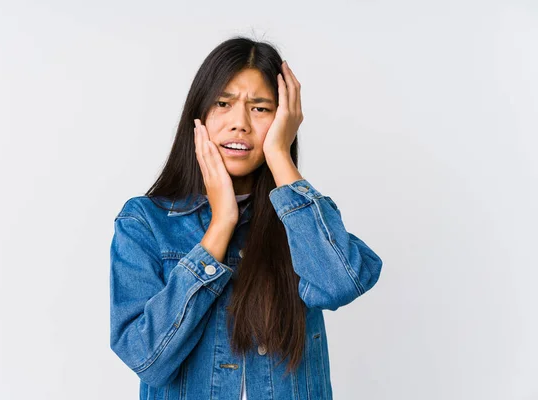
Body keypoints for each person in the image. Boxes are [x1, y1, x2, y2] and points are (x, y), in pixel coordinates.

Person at [109, 36, 383, 400]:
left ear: (284, 119)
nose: (240, 123)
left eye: (260, 108)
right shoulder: (145, 222)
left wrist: (280, 156)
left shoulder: (302, 217)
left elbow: (340, 283)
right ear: (200, 113)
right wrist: (221, 224)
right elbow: (147, 359)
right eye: (223, 103)